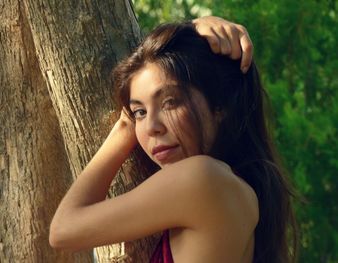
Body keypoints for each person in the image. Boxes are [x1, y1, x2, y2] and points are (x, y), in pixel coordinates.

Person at [50, 16, 297, 263]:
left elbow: (63, 229)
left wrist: (124, 128)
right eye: (139, 112)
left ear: (219, 105)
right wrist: (191, 27)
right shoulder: (237, 191)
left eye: (170, 102)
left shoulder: (202, 177)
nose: (152, 128)